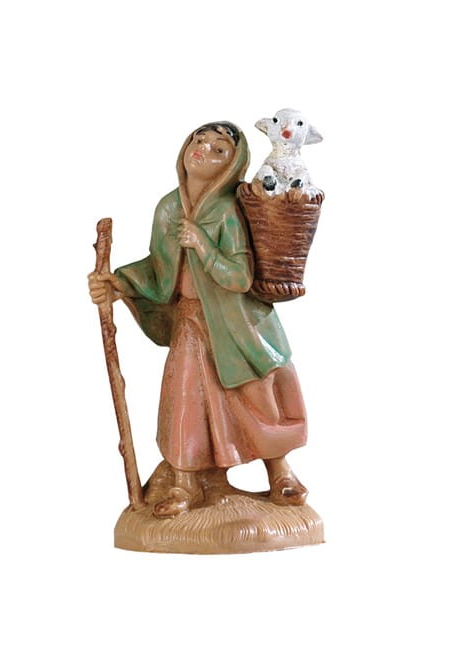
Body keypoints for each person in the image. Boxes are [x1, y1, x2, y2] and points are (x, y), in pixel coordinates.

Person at [89, 122, 309, 518]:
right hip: (191, 319)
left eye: (218, 150)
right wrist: (117, 282)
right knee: (185, 399)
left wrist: (202, 244)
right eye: (199, 140)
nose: (203, 150)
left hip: (238, 321)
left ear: (232, 165)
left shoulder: (229, 210)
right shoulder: (169, 208)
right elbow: (158, 267)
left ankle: (280, 472)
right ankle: (184, 483)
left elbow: (240, 277)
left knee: (257, 397)